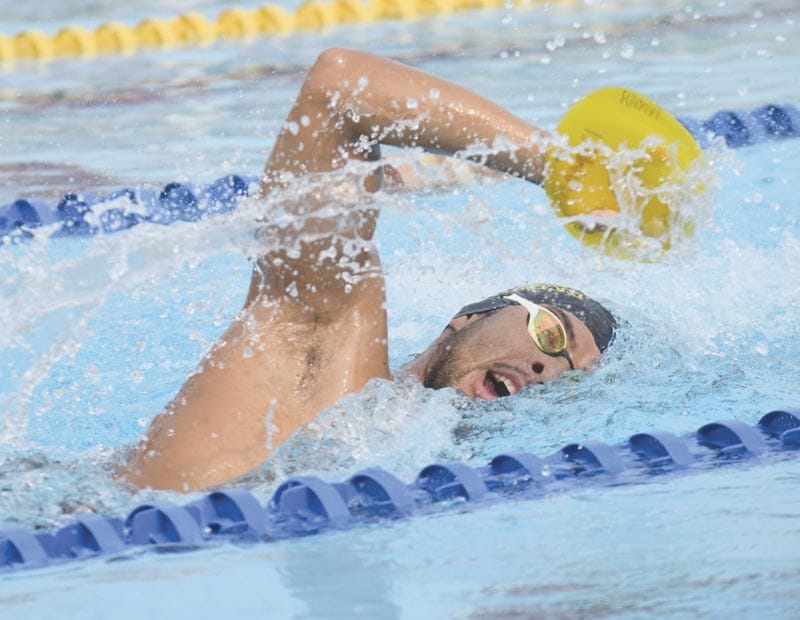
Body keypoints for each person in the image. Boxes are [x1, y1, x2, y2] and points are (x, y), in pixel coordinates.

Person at [123, 48, 616, 492]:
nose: (547, 369)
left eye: (570, 376)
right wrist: (559, 167)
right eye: (552, 334)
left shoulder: (411, 462)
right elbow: (337, 88)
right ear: (469, 317)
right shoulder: (327, 332)